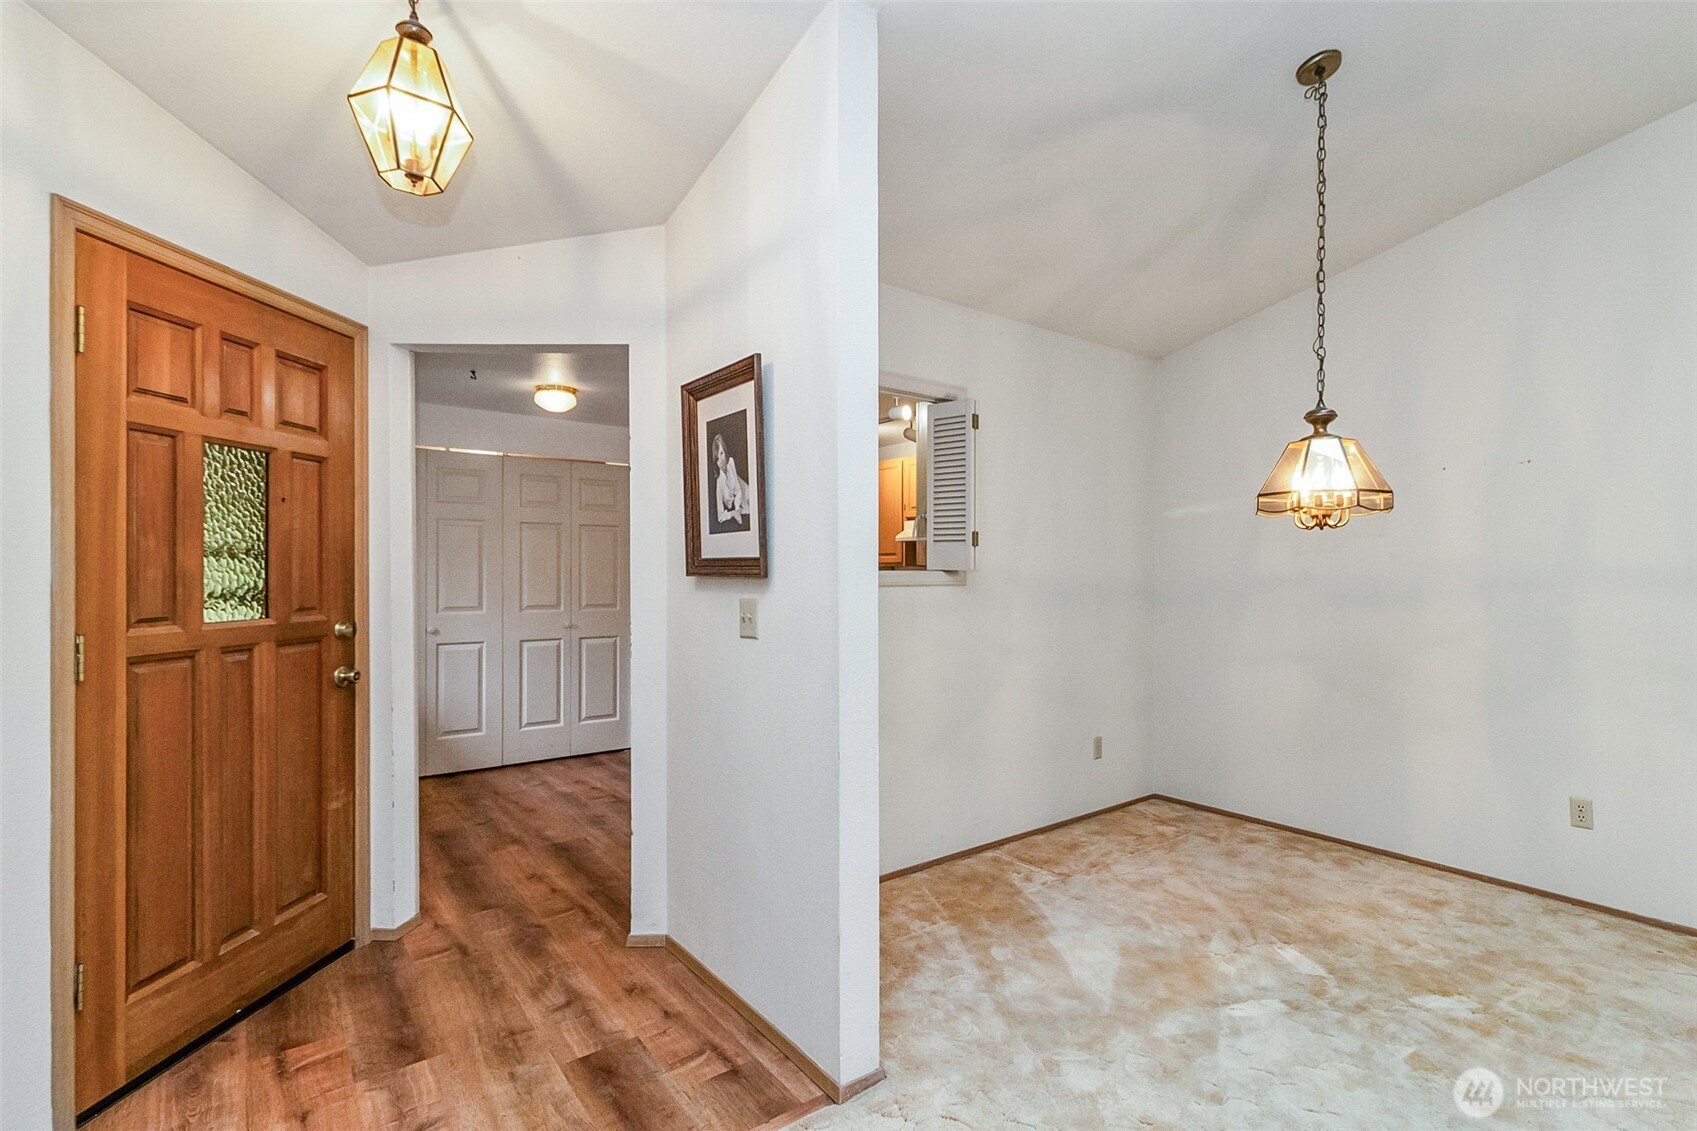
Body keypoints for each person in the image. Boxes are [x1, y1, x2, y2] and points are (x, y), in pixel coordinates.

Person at [713, 432, 751, 527]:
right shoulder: (719, 483)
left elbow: (738, 489)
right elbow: (720, 516)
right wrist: (733, 513)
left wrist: (737, 509)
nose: (720, 460)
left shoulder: (731, 462)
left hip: (745, 492)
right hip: (740, 507)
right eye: (717, 458)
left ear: (725, 451)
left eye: (721, 453)